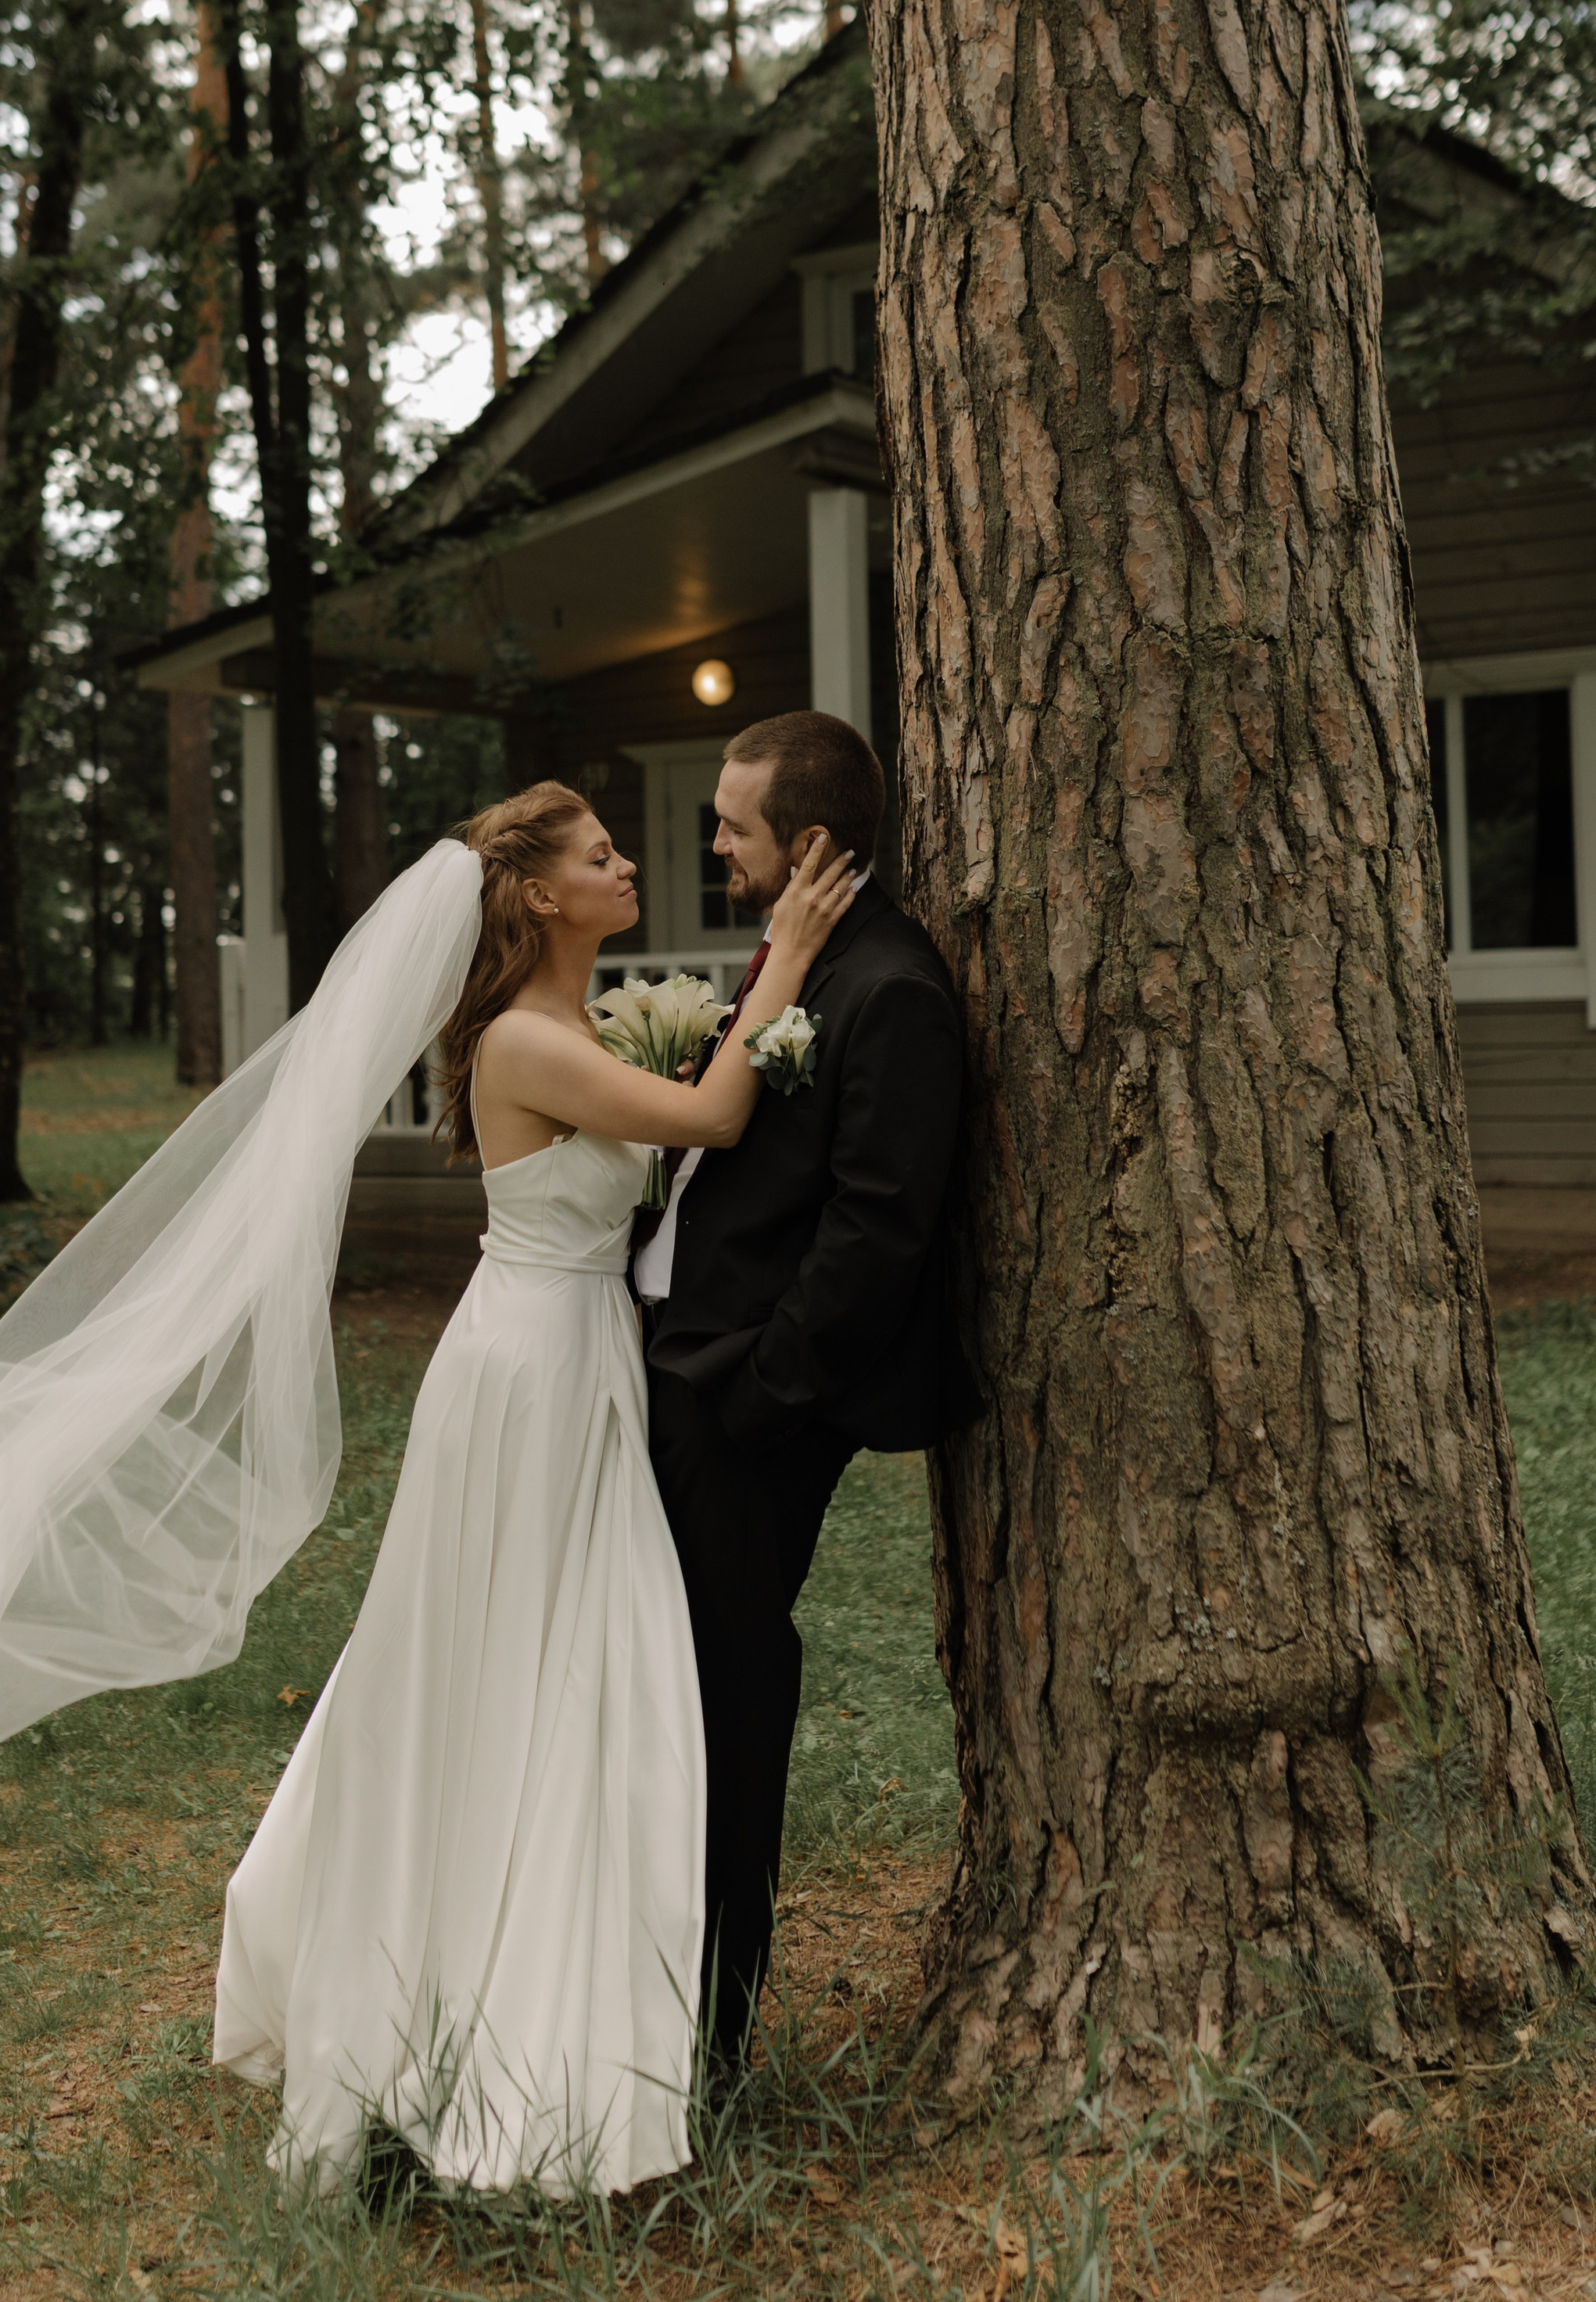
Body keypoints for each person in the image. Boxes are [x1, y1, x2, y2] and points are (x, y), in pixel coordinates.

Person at [213, 784, 857, 2195]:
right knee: (507, 1660)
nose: (629, 866)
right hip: (531, 1373)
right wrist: (790, 965)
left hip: (580, 1358)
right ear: (541, 898)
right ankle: (458, 1999)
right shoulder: (522, 1038)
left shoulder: (579, 1023)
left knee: (553, 1653)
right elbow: (712, 1114)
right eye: (602, 856)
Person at [635, 710, 971, 2068]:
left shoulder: (891, 989)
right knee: (643, 1690)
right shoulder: (798, 955)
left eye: (734, 823)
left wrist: (756, 1397)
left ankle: (704, 2036)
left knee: (724, 1700)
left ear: (811, 841)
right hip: (667, 1372)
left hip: (741, 1409)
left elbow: (877, 1233)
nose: (715, 840)